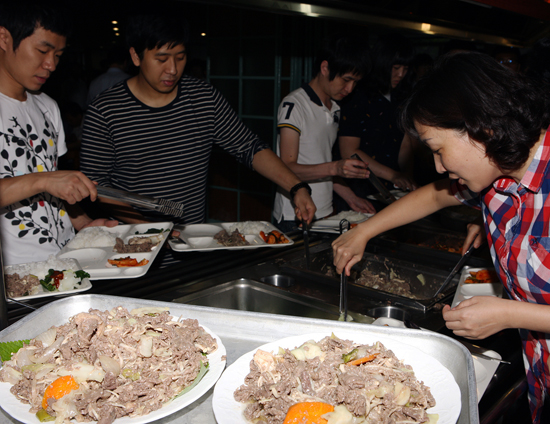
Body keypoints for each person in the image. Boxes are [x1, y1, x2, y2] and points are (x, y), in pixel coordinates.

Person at [332, 51, 550, 423]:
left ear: (482, 128)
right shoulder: (497, 174)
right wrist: (364, 231)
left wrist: (510, 313)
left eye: (438, 150)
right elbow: (434, 194)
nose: (438, 165)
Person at [80, 12, 315, 228]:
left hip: (190, 243)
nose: (172, 69)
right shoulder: (105, 110)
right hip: (132, 246)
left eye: (180, 58)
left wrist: (296, 187)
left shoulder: (203, 98)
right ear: (135, 56)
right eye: (162, 59)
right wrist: (151, 229)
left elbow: (249, 147)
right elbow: (98, 186)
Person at [0, 0, 116, 265]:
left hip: (65, 263)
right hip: (15, 275)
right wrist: (43, 180)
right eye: (42, 50)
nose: (51, 64)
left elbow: (54, 191)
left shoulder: (47, 106)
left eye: (58, 55)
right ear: (4, 38)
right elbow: (47, 182)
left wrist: (82, 223)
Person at [273, 35, 375, 232]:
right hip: (294, 215)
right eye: (346, 80)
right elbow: (285, 167)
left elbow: (321, 163)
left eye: (355, 82)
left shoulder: (335, 107)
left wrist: (351, 197)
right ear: (325, 68)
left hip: (325, 212)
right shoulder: (294, 105)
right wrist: (336, 168)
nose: (350, 89)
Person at [336, 33, 417, 211]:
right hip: (359, 190)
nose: (401, 74)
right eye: (396, 68)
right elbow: (349, 151)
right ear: (383, 64)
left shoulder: (401, 97)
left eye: (405, 68)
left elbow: (405, 142)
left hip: (392, 191)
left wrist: (407, 177)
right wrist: (394, 175)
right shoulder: (358, 96)